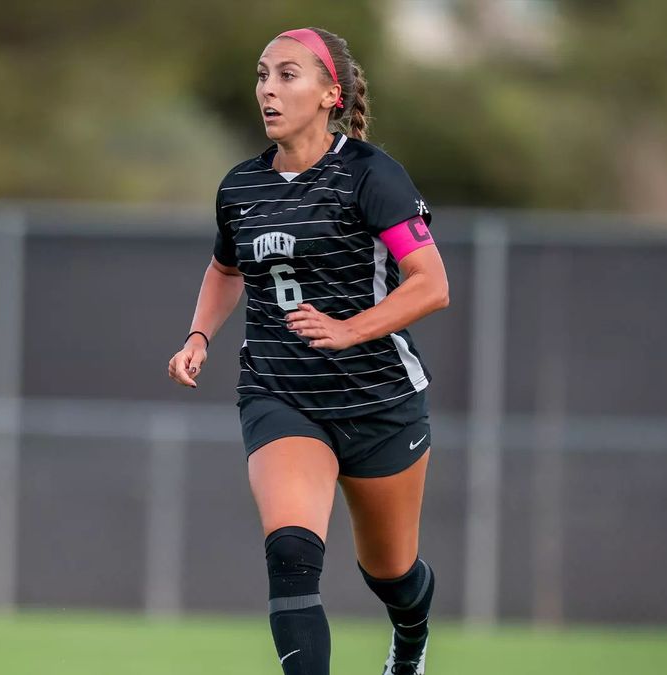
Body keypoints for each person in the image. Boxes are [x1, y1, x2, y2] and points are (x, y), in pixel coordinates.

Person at [167, 27, 451, 675]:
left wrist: (352, 328)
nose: (269, 88)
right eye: (263, 74)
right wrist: (197, 335)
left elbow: (432, 284)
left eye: (288, 74)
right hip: (281, 392)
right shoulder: (241, 188)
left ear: (331, 93)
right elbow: (224, 269)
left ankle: (410, 640)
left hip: (379, 399)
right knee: (291, 554)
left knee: (392, 571)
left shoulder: (372, 175)